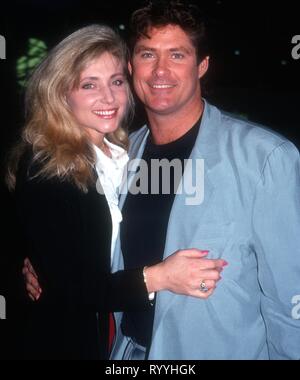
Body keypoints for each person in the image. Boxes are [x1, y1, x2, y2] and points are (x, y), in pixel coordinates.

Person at [24, 0, 300, 360]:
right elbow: (91, 244)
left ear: (202, 66)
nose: (160, 71)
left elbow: (289, 297)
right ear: (131, 65)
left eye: (177, 55)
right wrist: (46, 265)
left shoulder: (264, 158)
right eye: (148, 55)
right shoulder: (120, 156)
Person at [8, 23, 224, 360]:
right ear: (62, 93)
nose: (108, 98)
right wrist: (160, 277)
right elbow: (75, 289)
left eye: (116, 82)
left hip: (123, 339)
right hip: (69, 342)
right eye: (89, 85)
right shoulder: (46, 165)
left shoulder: (125, 153)